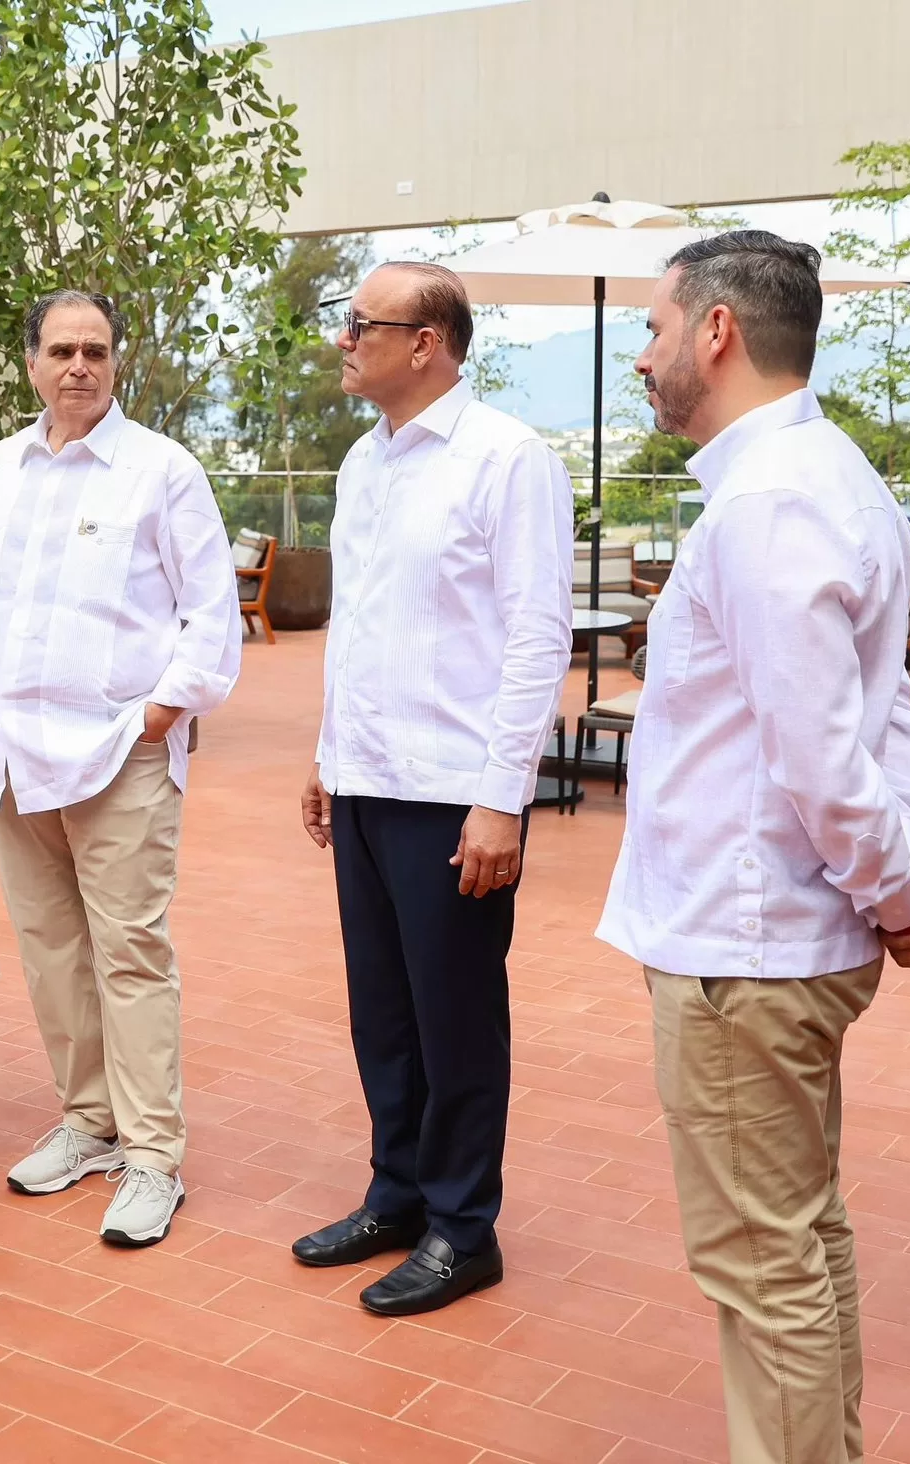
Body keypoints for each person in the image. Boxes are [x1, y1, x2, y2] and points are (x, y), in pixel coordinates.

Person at [596, 230, 910, 1464]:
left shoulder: (765, 501)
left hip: (743, 948)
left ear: (715, 331)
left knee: (761, 1264)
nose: (642, 359)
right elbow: (887, 717)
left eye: (654, 330)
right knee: (798, 1240)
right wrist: (904, 873)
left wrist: (897, 899)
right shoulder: (832, 478)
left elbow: (820, 749)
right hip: (764, 935)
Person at [0, 289, 241, 1248]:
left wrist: (159, 714)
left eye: (95, 350)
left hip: (118, 755)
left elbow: (210, 611)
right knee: (52, 948)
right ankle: (89, 1122)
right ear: (32, 362)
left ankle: (151, 1157)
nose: (79, 367)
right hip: (11, 751)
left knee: (131, 951)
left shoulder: (162, 472)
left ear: (116, 362)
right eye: (62, 350)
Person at [292, 262, 574, 1316]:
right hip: (368, 779)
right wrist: (328, 754)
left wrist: (502, 797)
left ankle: (463, 1226)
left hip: (455, 790)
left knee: (455, 1015)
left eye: (360, 323)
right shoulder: (362, 464)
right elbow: (360, 625)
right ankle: (396, 1193)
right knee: (384, 1013)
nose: (342, 339)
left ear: (427, 343)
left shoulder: (506, 460)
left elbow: (535, 635)